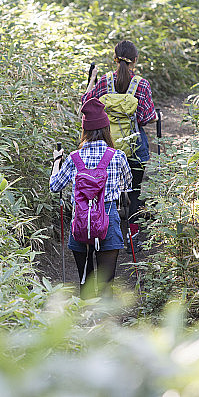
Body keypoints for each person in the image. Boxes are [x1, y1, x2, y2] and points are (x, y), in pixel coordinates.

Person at [50, 98, 133, 297]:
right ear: (106, 128)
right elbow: (128, 185)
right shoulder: (117, 156)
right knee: (106, 287)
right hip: (109, 220)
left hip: (80, 223)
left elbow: (55, 186)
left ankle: (84, 322)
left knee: (85, 282)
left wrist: (56, 162)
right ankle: (105, 324)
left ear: (84, 131)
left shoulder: (73, 158)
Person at [82, 40, 156, 253]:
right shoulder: (141, 84)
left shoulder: (104, 81)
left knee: (107, 193)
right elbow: (147, 116)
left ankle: (107, 237)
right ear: (135, 60)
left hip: (106, 148)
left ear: (114, 58)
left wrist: (92, 80)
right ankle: (132, 239)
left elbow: (86, 105)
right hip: (134, 147)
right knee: (134, 193)